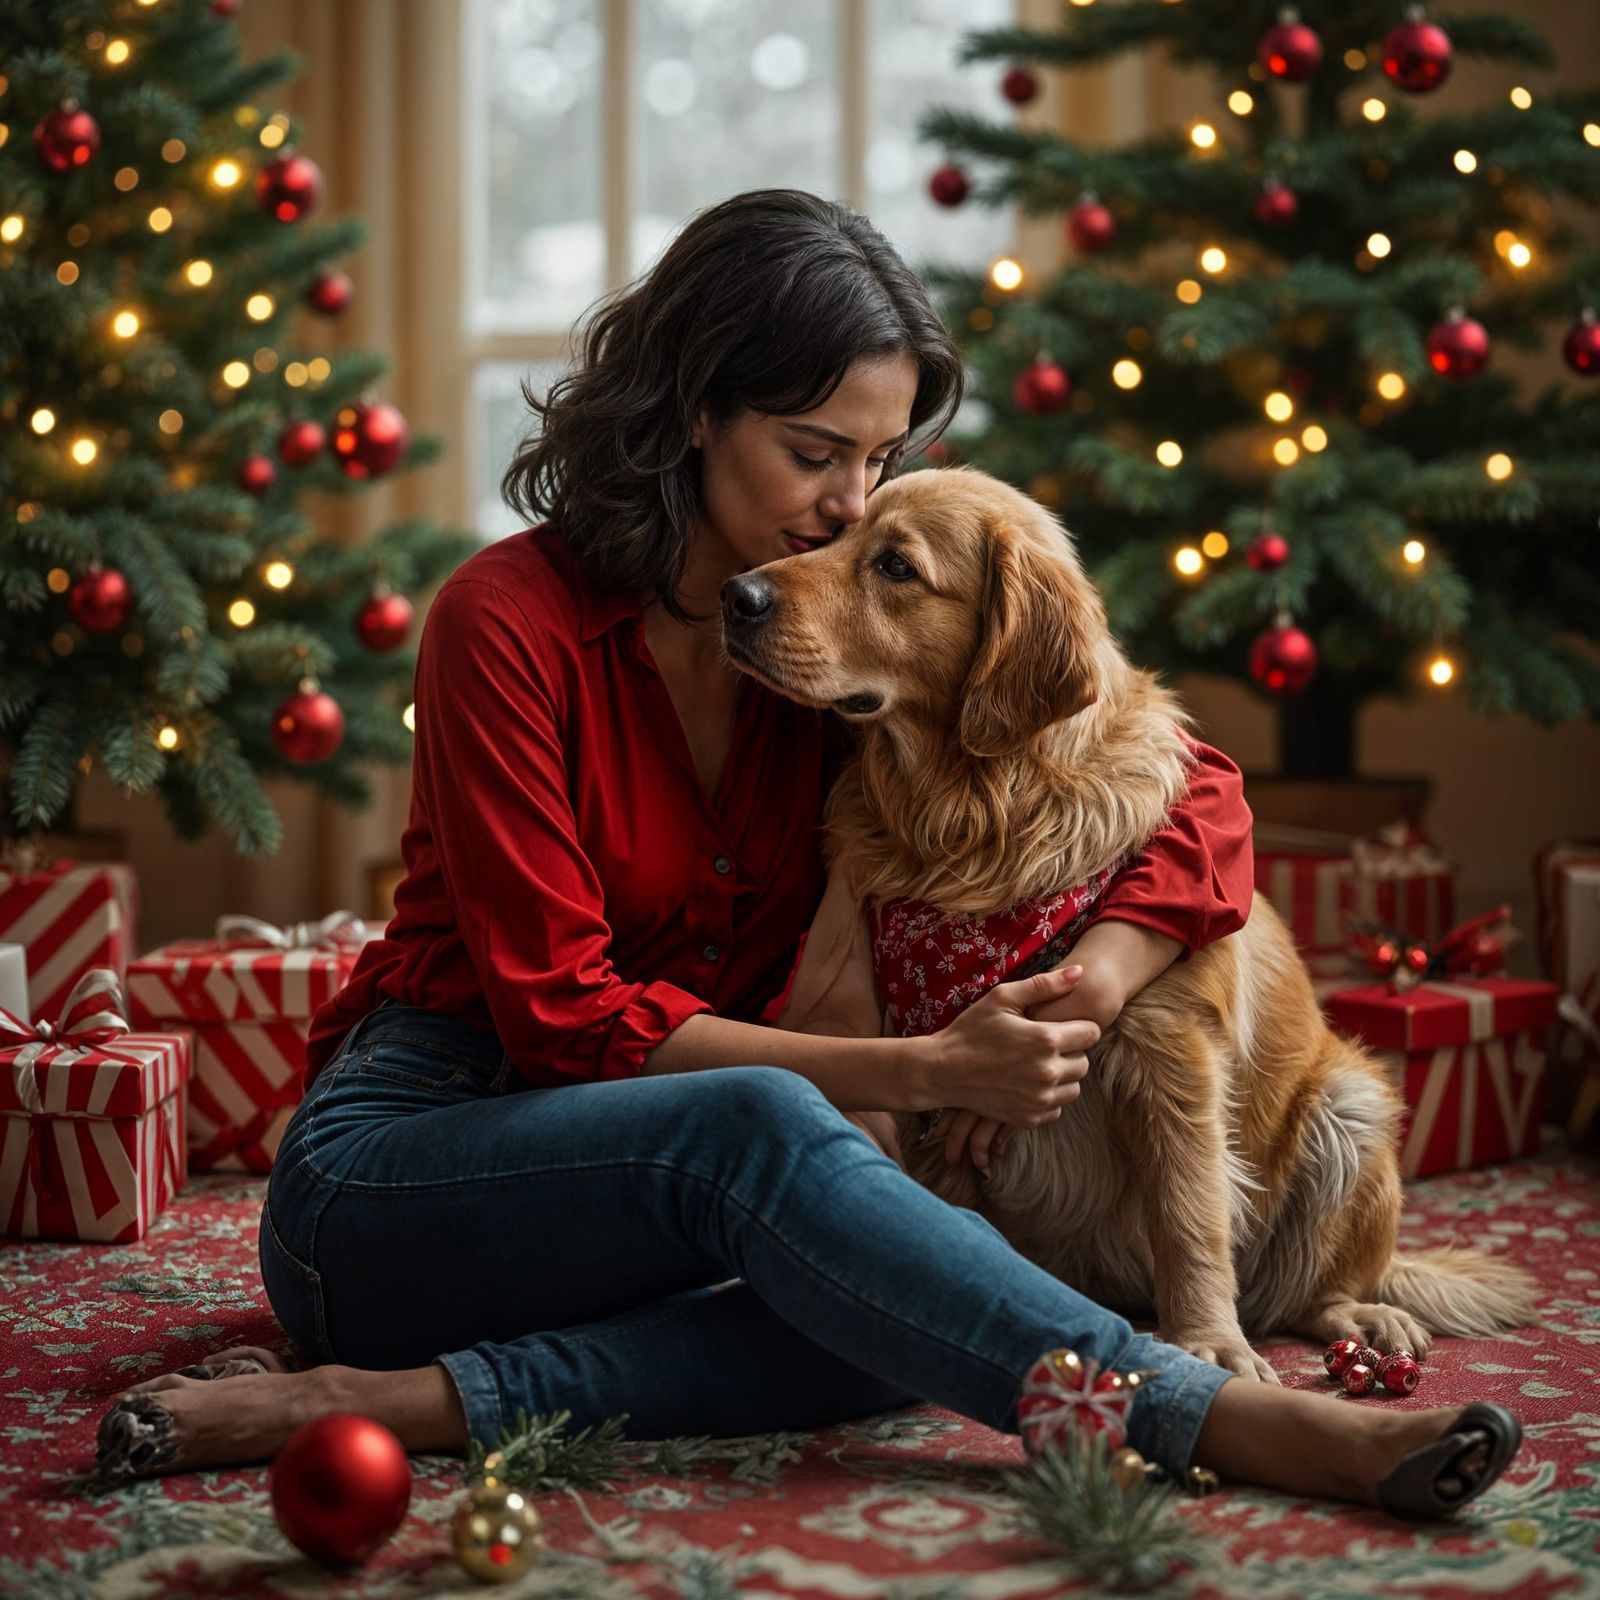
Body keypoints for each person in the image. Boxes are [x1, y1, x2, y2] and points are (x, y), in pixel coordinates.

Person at [95, 190, 1520, 1518]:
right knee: (801, 1153)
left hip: (668, 1202)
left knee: (909, 1302)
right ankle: (1229, 1423)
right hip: (407, 1174)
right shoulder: (504, 624)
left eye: (881, 460)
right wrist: (927, 1070)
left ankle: (392, 1407)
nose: (852, 503)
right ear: (693, 413)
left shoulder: (823, 648)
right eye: (814, 454)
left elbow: (1191, 790)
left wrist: (1104, 969)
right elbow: (564, 1021)